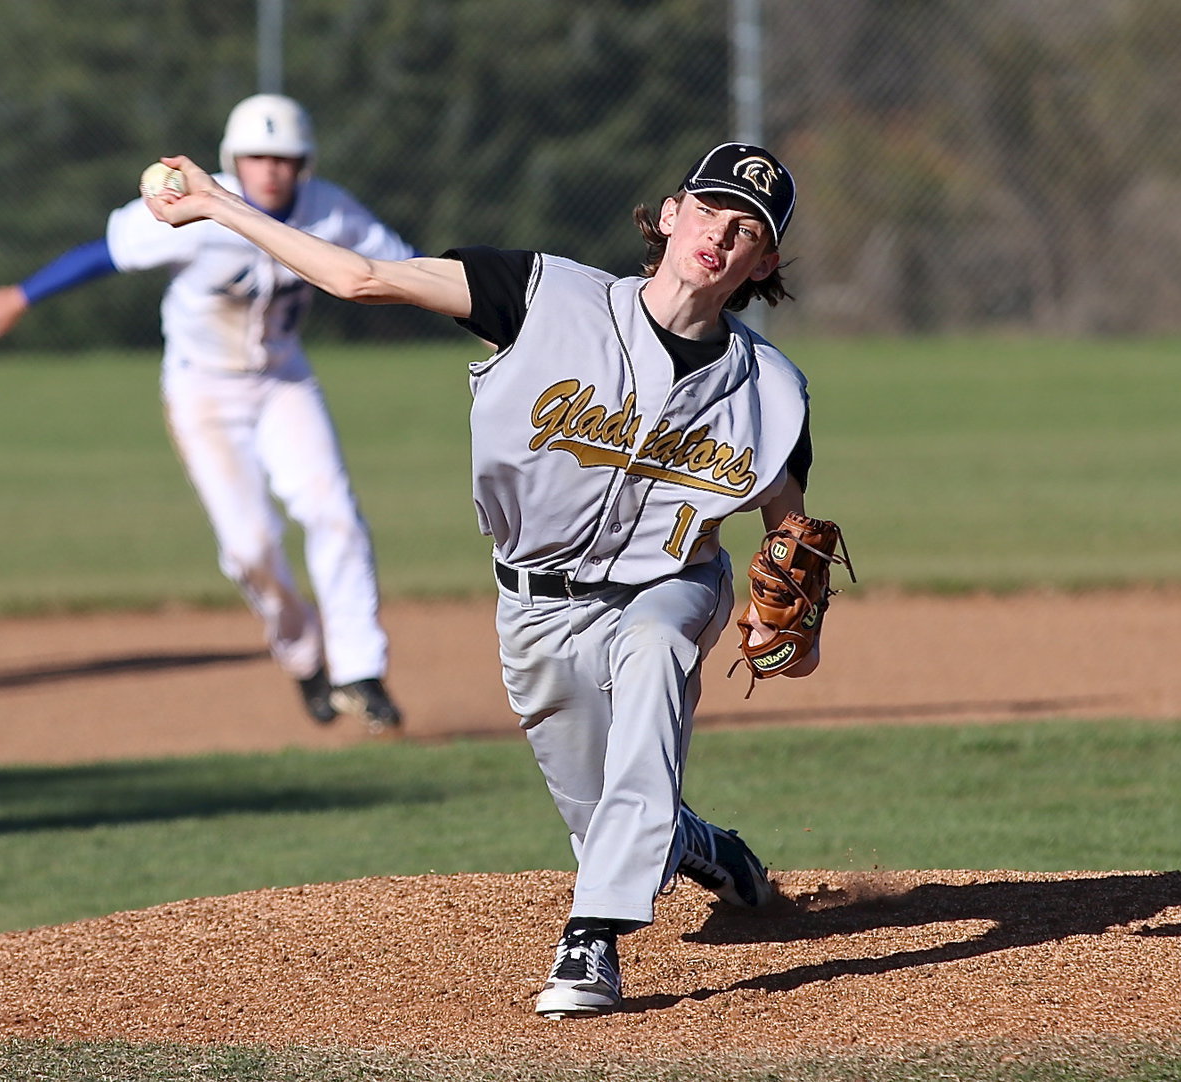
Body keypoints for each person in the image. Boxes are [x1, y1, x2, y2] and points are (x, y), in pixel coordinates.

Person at [143, 141, 817, 1017]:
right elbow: (358, 279)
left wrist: (796, 632)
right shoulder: (541, 294)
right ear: (670, 211)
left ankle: (590, 943)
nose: (720, 237)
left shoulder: (770, 390)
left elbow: (788, 529)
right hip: (535, 605)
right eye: (710, 211)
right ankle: (698, 846)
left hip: (671, 584)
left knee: (654, 651)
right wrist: (221, 206)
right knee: (608, 816)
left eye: (747, 230)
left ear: (763, 262)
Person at [0, 94, 419, 731]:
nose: (271, 168)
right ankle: (304, 656)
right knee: (250, 546)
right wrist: (22, 296)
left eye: (285, 157)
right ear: (233, 159)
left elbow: (402, 266)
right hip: (203, 391)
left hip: (284, 381)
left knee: (332, 511)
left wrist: (480, 311)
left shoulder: (330, 211)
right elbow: (105, 253)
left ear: (303, 163)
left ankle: (361, 670)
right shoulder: (196, 204)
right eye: (258, 155)